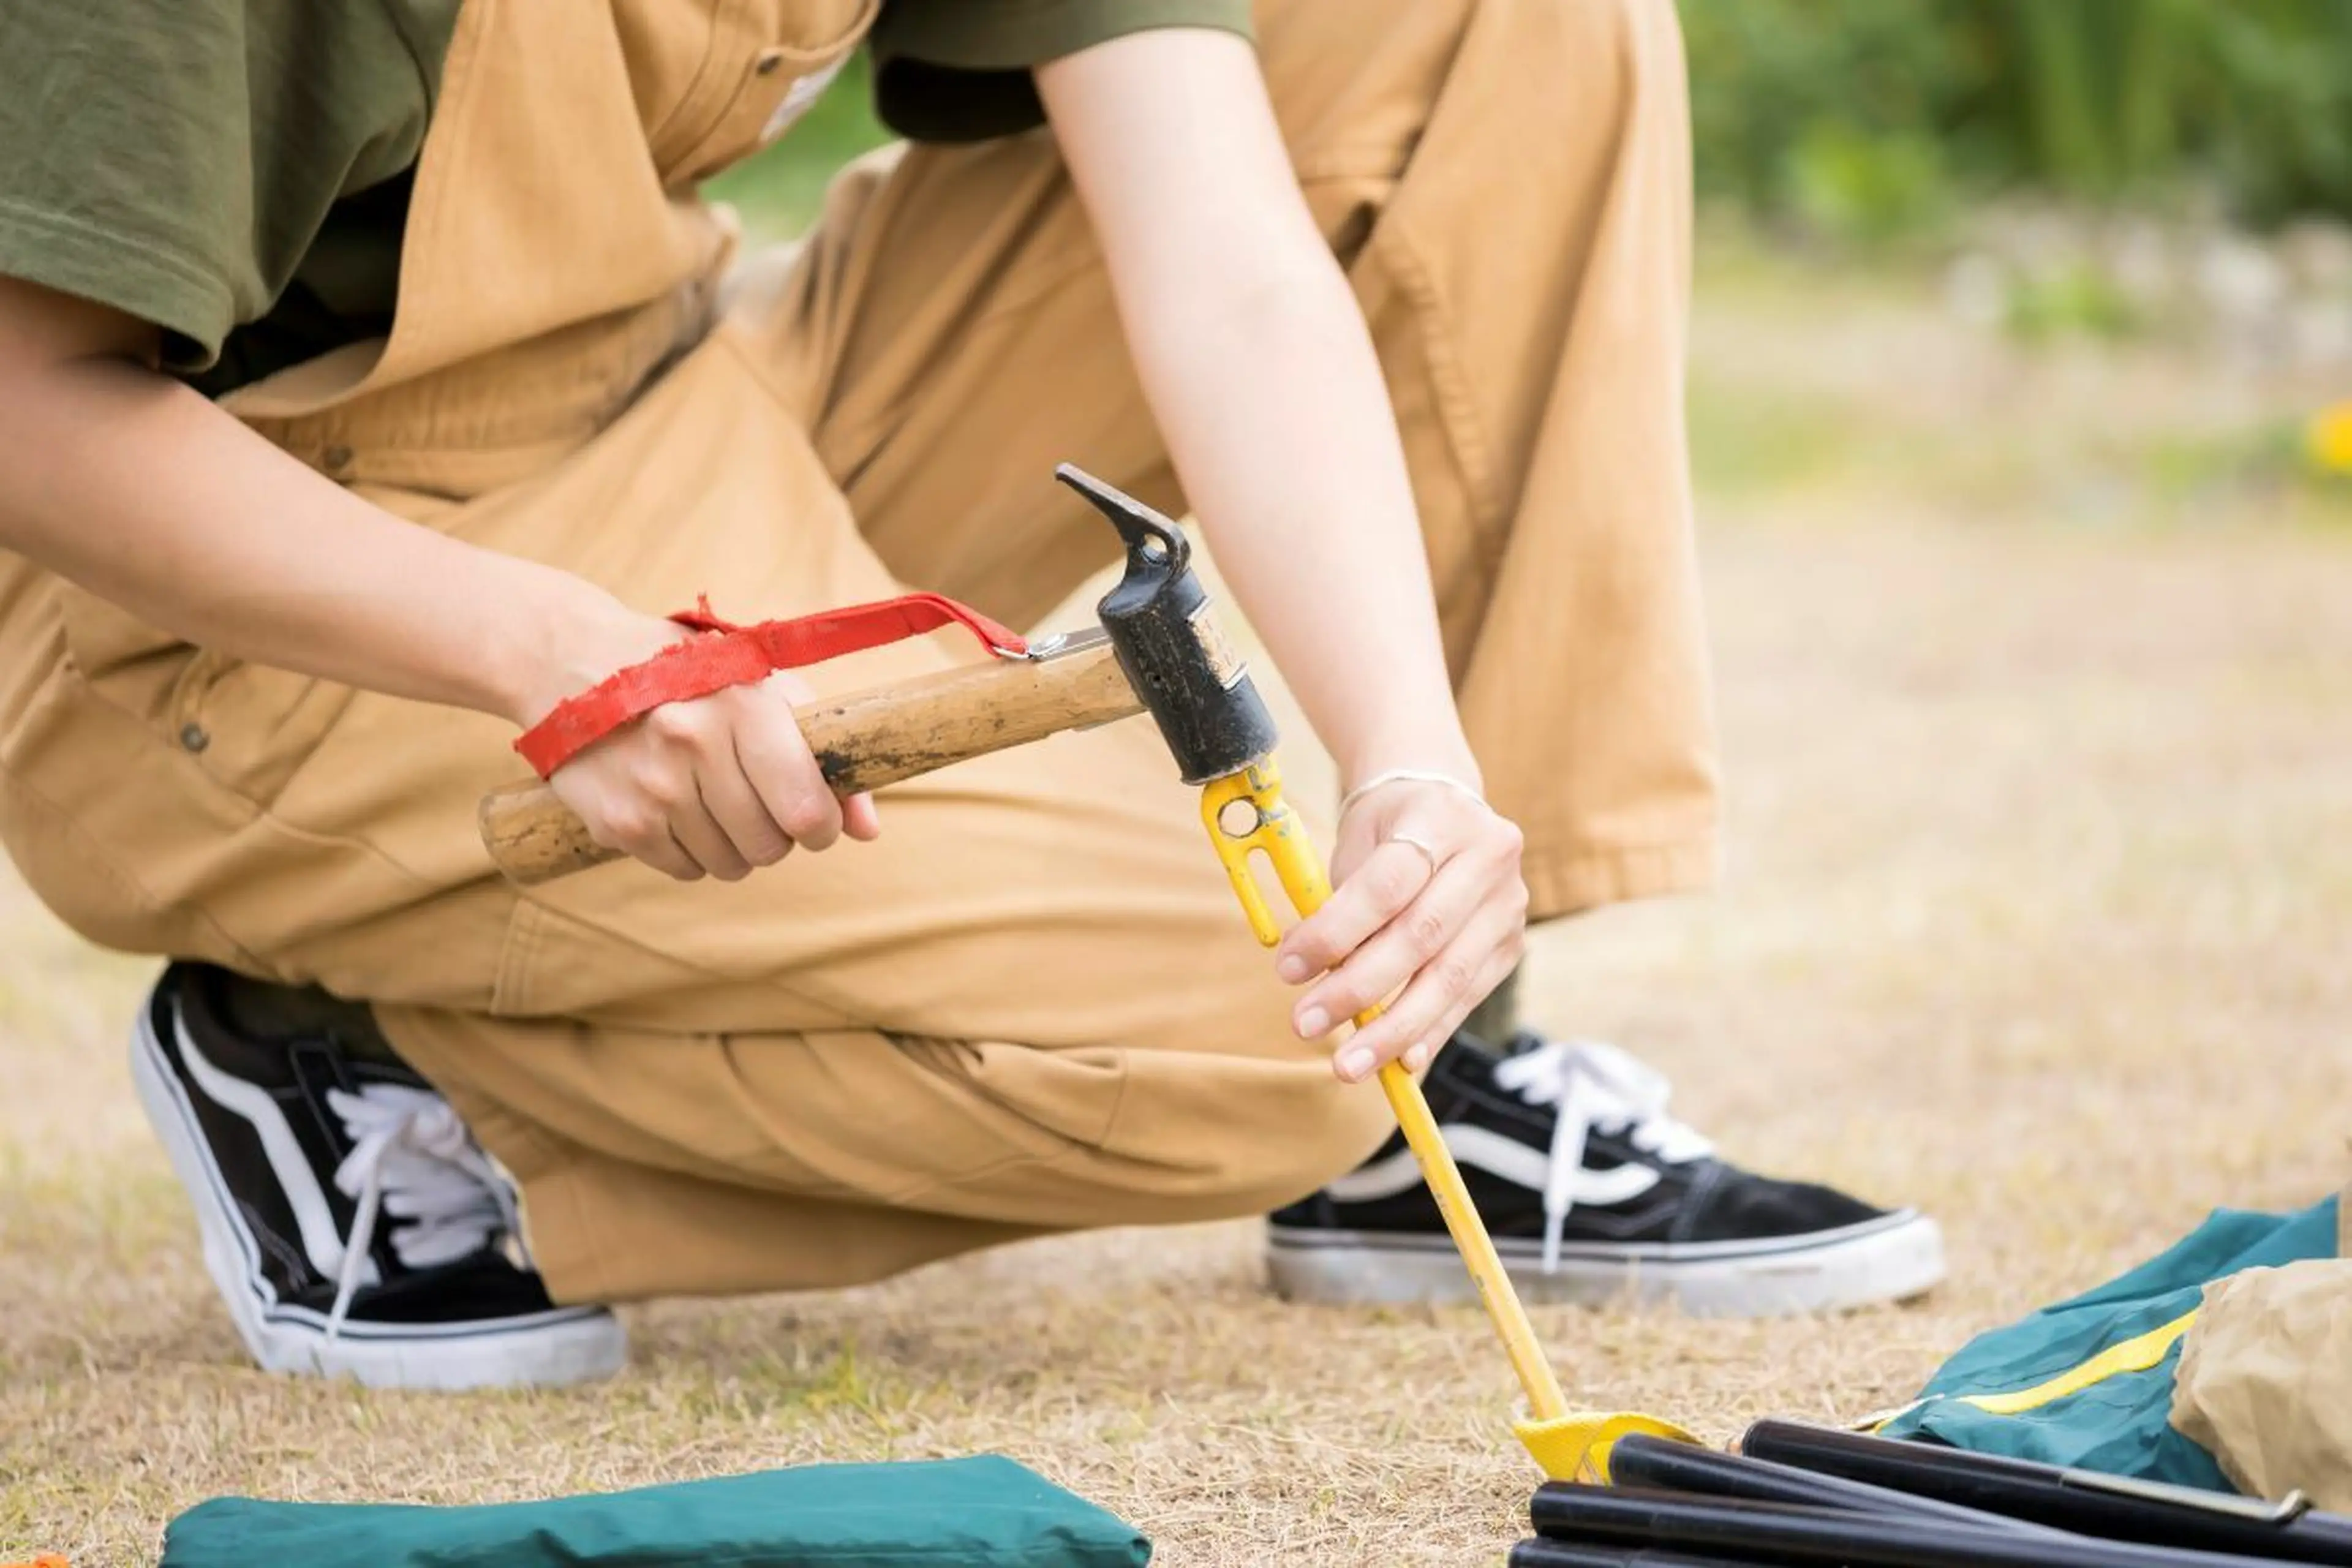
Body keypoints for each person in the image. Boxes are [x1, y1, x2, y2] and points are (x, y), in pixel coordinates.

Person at [0, 0, 1942, 1390]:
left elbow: (1232, 261)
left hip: (668, 395)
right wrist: (544, 653)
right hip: (209, 593)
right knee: (1275, 1031)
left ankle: (1450, 1030)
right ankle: (345, 1056)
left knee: (1490, 24)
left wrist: (1414, 765)